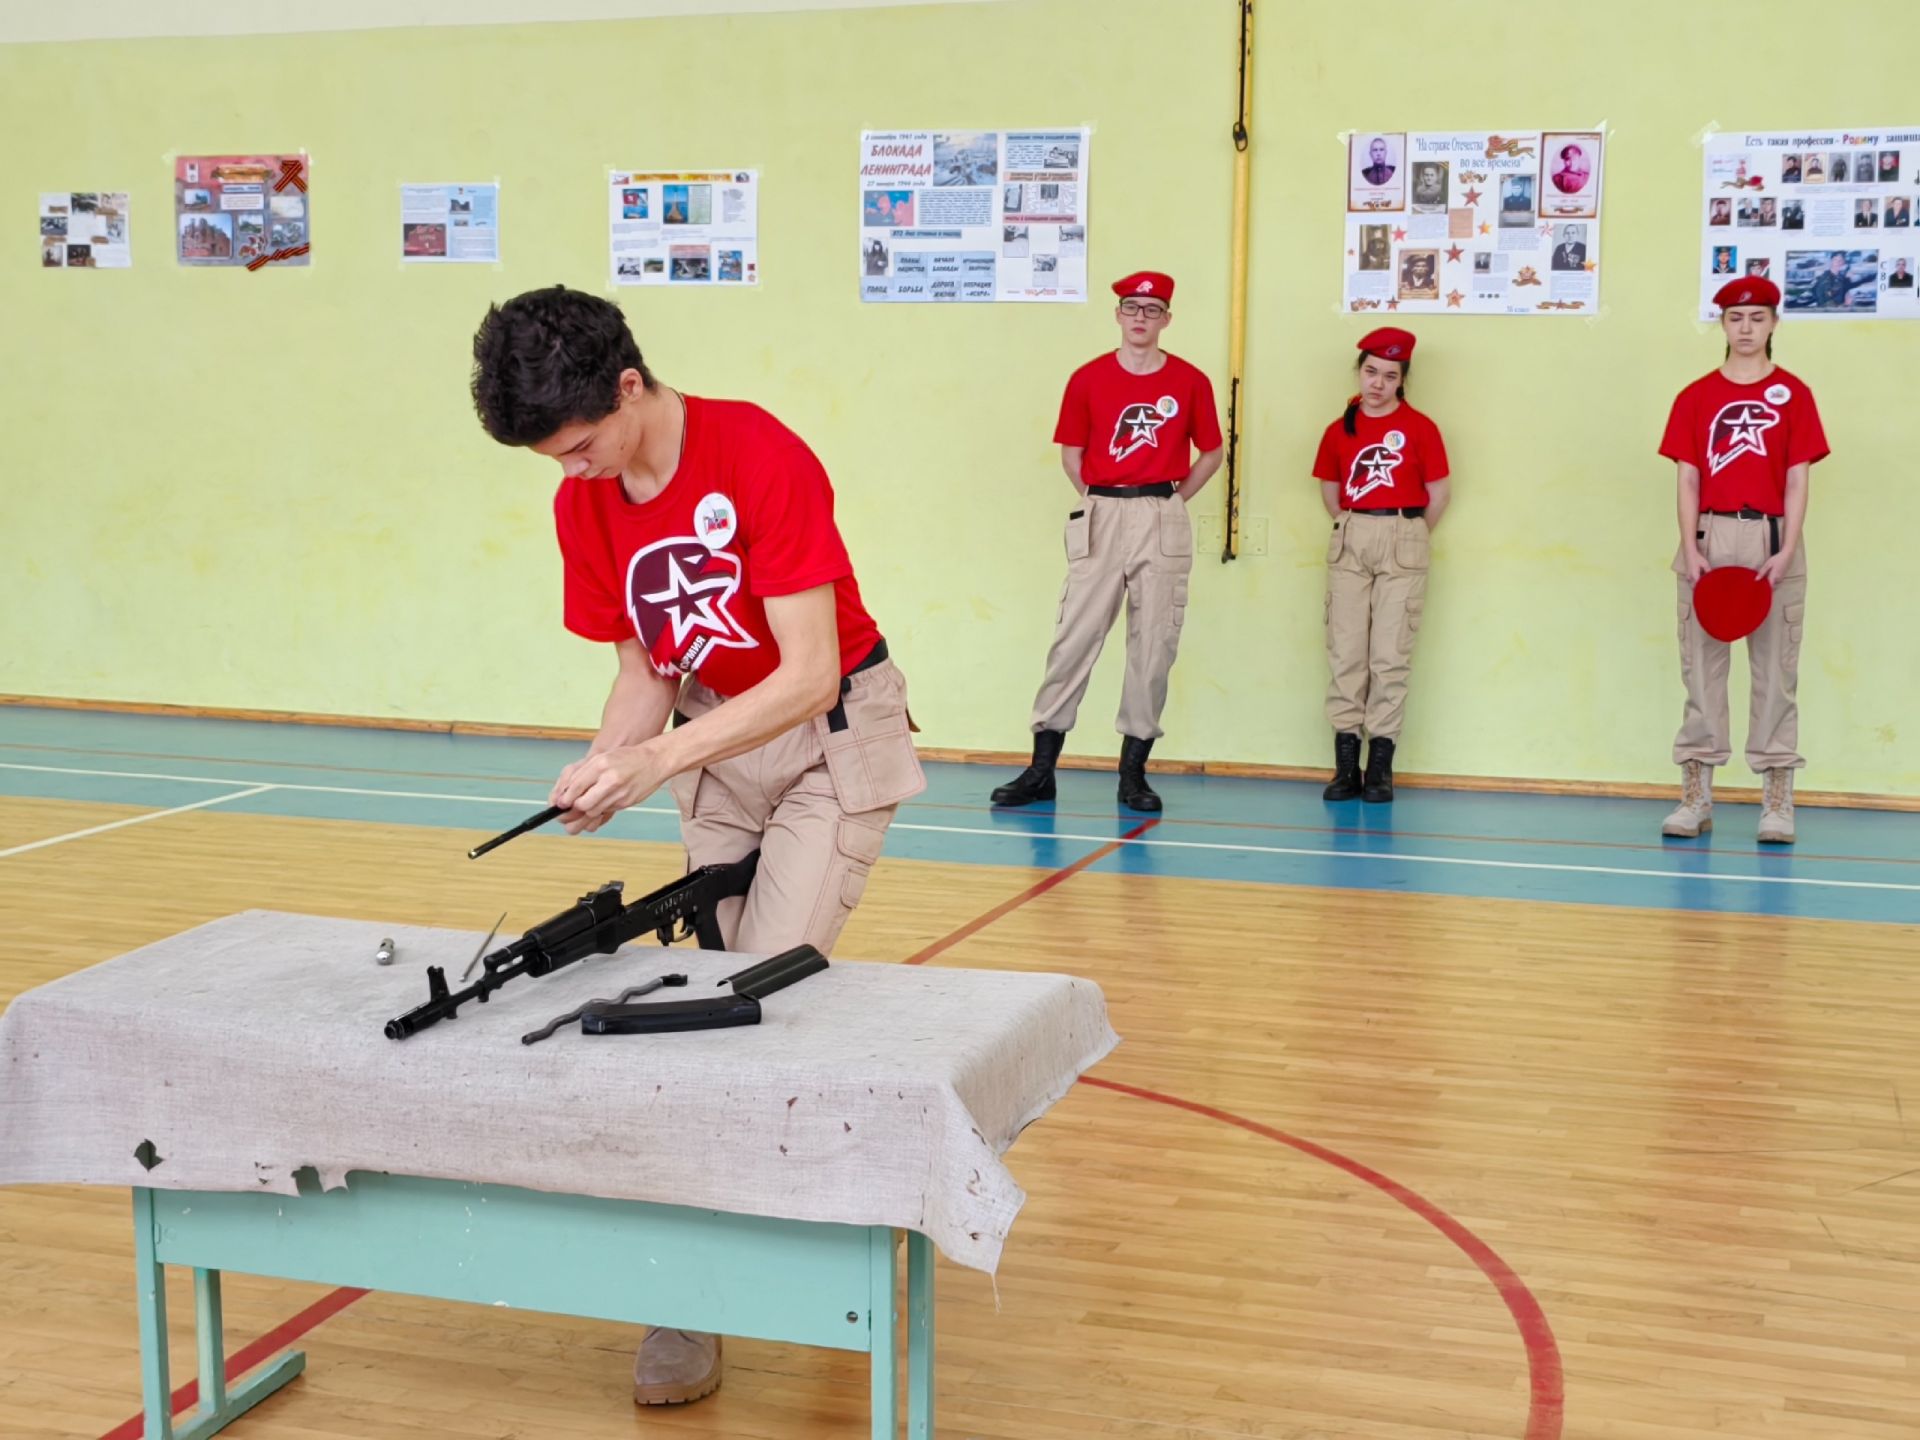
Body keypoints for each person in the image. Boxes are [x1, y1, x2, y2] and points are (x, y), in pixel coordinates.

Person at [468, 285, 925, 1408]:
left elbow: (809, 673)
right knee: (701, 1002)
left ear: (629, 387)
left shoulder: (759, 453)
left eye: (579, 446)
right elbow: (646, 674)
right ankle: (695, 1289)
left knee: (763, 994)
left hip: (824, 733)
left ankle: (805, 1244)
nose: (572, 473)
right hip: (716, 735)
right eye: (552, 460)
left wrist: (658, 758)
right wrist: (603, 765)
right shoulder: (585, 502)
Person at [990, 271, 1223, 813]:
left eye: (1152, 309)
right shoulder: (1088, 378)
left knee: (1154, 643)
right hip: (1101, 510)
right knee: (1074, 636)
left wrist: (1173, 500)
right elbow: (1071, 454)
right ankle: (1041, 769)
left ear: (1167, 319)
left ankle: (1133, 774)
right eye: (1132, 307)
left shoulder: (1189, 381)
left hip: (1159, 511)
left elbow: (1211, 452)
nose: (1141, 317)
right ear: (1117, 315)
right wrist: (1100, 499)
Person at [1656, 276, 1828, 844]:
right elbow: (1687, 477)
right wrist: (1691, 546)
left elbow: (1797, 479)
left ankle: (1777, 801)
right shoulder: (1696, 396)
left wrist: (1786, 548)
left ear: (1774, 323)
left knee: (1776, 672)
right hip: (1709, 537)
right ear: (1723, 325)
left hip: (1772, 539)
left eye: (1757, 317)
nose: (1746, 328)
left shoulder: (1794, 394)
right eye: (1735, 318)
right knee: (1701, 671)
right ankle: (1696, 796)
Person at [1310, 328, 1451, 803]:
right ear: (1359, 372)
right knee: (1346, 652)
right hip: (1353, 533)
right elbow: (1330, 489)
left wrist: (1409, 532)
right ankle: (1346, 767)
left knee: (1390, 656)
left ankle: (1380, 769)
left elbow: (1439, 494)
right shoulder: (1339, 429)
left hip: (1403, 533)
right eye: (1371, 372)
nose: (1378, 383)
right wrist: (1352, 525)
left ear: (1402, 380)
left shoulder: (1421, 428)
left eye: (1390, 376)